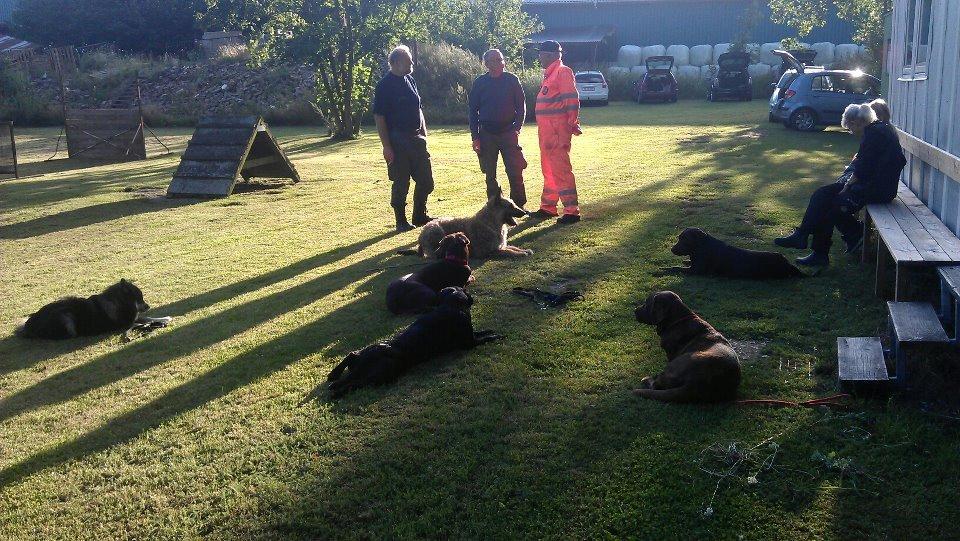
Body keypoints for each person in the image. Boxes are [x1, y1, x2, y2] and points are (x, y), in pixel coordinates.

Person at [775, 100, 906, 266]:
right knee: (822, 195)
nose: (852, 132)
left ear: (856, 122)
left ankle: (827, 244)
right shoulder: (879, 129)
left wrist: (847, 185)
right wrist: (848, 183)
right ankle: (810, 239)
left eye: (850, 128)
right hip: (878, 186)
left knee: (830, 203)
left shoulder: (873, 133)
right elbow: (867, 164)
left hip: (878, 190)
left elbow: (862, 168)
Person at [372, 45, 434, 233]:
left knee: (426, 181)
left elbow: (418, 108)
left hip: (417, 139)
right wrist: (386, 146)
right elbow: (379, 117)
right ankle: (401, 221)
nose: (412, 62)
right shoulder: (384, 86)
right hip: (397, 140)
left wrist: (424, 133)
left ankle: (420, 216)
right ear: (396, 62)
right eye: (408, 60)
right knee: (401, 182)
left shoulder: (410, 80)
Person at [528, 40, 582, 225]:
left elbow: (571, 100)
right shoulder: (550, 75)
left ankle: (571, 211)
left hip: (557, 132)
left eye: (541, 54)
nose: (539, 58)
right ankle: (548, 207)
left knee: (561, 171)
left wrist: (572, 123)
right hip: (547, 133)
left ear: (549, 55)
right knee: (549, 170)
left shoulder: (562, 72)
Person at [468, 49, 528, 209]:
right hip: (487, 134)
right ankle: (494, 208)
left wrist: (517, 128)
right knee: (490, 175)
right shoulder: (480, 83)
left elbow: (521, 107)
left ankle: (519, 206)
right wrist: (475, 137)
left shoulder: (512, 80)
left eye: (501, 59)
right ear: (487, 64)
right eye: (495, 60)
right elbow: (472, 111)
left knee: (515, 171)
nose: (500, 63)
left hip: (509, 132)